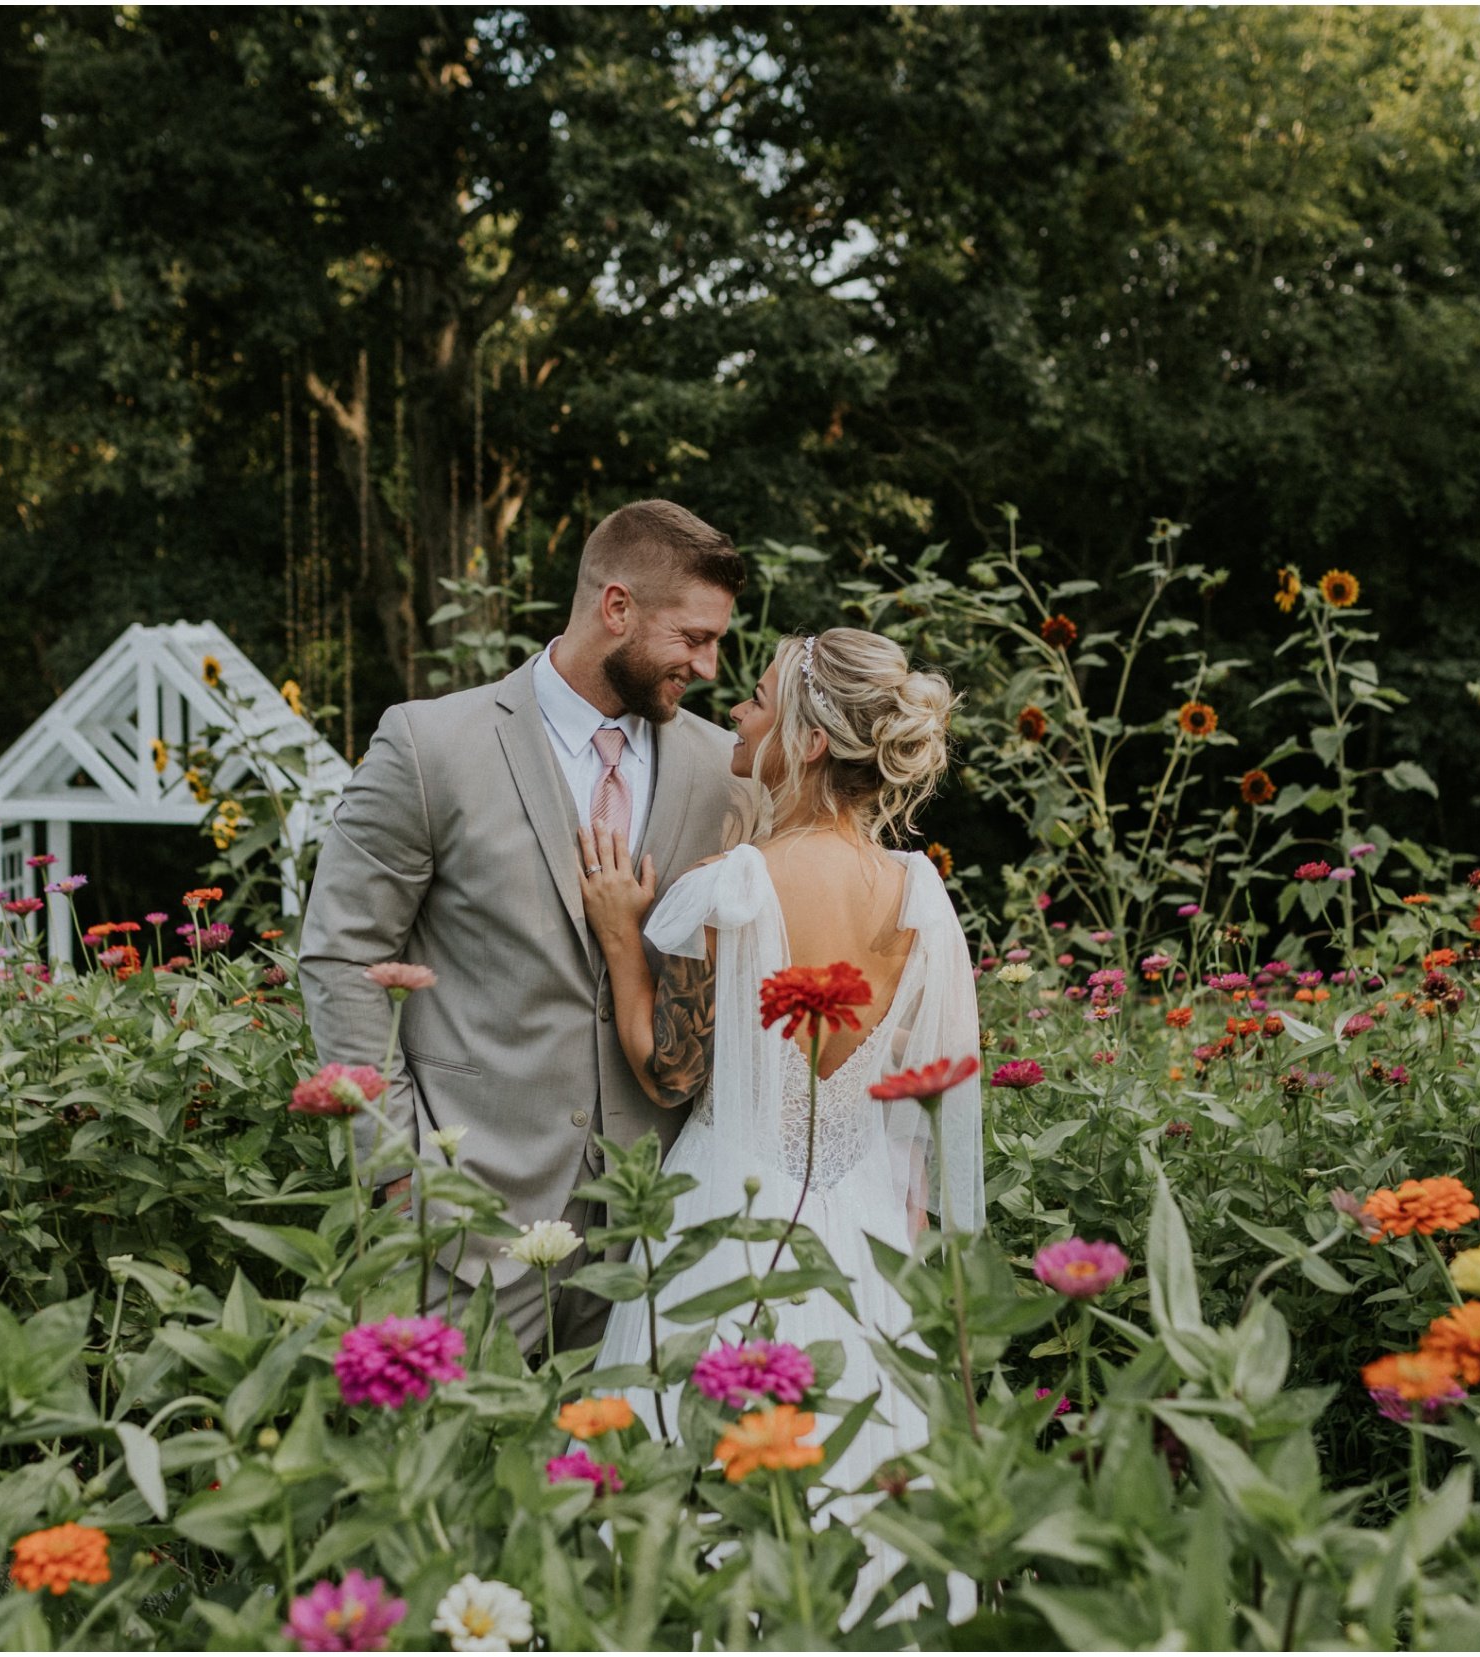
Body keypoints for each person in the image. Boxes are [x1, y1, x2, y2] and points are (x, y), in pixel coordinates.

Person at [576, 627, 981, 1619]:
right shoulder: (918, 895)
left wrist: (624, 938)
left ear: (804, 740)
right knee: (864, 1486)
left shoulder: (736, 881)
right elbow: (922, 1130)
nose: (738, 714)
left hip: (732, 1213)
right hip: (871, 1234)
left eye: (757, 700)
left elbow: (670, 1069)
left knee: (690, 1491)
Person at [299, 500, 753, 1353]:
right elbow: (341, 954)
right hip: (464, 1220)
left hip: (648, 1232)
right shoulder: (430, 745)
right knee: (440, 1469)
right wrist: (399, 1170)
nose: (710, 664)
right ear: (616, 608)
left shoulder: (717, 766)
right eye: (693, 637)